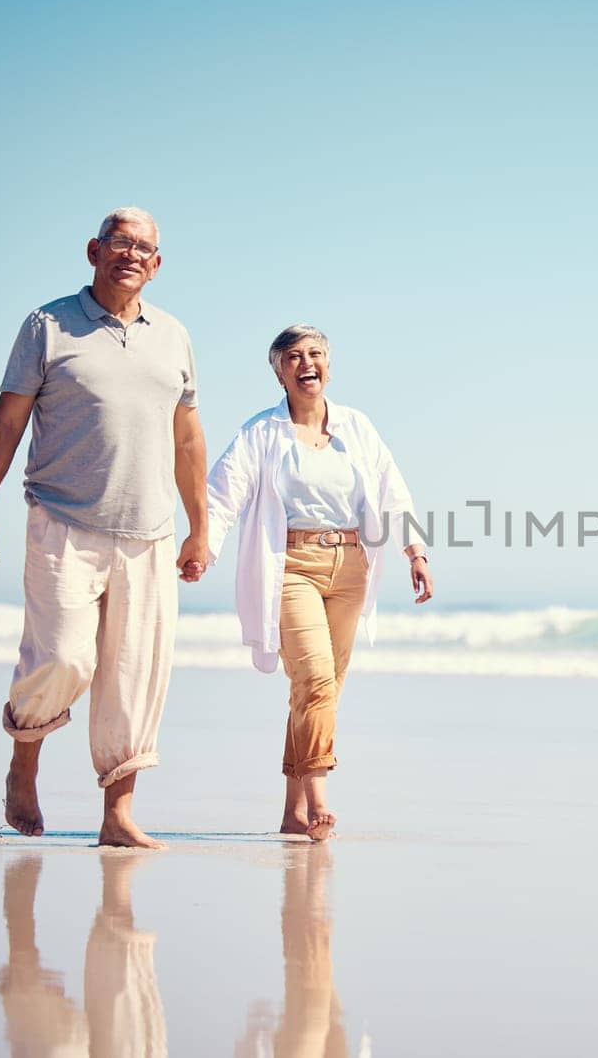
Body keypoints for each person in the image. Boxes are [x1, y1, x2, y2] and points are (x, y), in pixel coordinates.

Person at [0, 207, 208, 849]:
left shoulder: (174, 335)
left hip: (149, 531)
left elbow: (188, 438)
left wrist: (198, 526)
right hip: (62, 521)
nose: (132, 254)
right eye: (120, 242)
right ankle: (24, 760)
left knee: (133, 676)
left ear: (158, 264)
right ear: (94, 251)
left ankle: (117, 815)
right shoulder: (48, 325)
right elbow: (6, 422)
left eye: (145, 247)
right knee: (65, 657)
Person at [206, 325, 433, 841]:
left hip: (352, 567)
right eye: (294, 356)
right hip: (290, 566)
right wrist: (205, 544)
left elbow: (393, 490)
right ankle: (319, 801)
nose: (306, 363)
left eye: (316, 354)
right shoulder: (261, 432)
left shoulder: (357, 427)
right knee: (314, 680)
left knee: (321, 690)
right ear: (278, 370)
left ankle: (291, 813)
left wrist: (415, 551)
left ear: (329, 364)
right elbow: (225, 490)